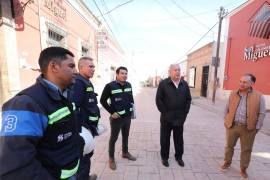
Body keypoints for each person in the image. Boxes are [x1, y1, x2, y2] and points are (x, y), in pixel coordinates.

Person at [0, 47, 81, 180]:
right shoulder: (25, 104)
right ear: (53, 66)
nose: (76, 72)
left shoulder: (66, 95)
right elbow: (15, 166)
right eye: (71, 66)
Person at [220, 73, 266, 179]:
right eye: (240, 81)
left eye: (244, 82)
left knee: (246, 149)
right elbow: (226, 108)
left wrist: (257, 127)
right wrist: (226, 121)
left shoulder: (259, 96)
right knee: (229, 146)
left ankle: (243, 169)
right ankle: (227, 162)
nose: (241, 84)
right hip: (232, 125)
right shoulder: (233, 93)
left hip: (248, 128)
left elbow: (262, 113)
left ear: (252, 83)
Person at [100, 66, 136, 170]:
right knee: (114, 138)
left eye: (126, 73)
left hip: (127, 117)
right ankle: (111, 158)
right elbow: (102, 100)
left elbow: (131, 99)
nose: (125, 75)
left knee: (126, 136)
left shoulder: (129, 85)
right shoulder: (110, 86)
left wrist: (132, 110)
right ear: (117, 74)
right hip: (117, 118)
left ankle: (125, 153)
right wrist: (112, 112)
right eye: (122, 73)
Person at [155, 64, 191, 167]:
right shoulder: (163, 84)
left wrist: (185, 113)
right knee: (165, 139)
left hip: (180, 119)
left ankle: (179, 157)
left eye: (179, 70)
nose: (178, 72)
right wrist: (165, 113)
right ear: (170, 72)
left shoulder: (184, 84)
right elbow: (158, 100)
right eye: (175, 70)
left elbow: (188, 99)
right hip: (166, 119)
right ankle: (164, 158)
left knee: (179, 140)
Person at [72, 57, 99, 180]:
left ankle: (85, 176)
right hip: (83, 128)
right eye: (90, 66)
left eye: (93, 66)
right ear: (81, 67)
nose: (93, 69)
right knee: (83, 157)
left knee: (87, 154)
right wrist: (80, 129)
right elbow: (74, 107)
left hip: (89, 127)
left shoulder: (86, 81)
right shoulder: (78, 82)